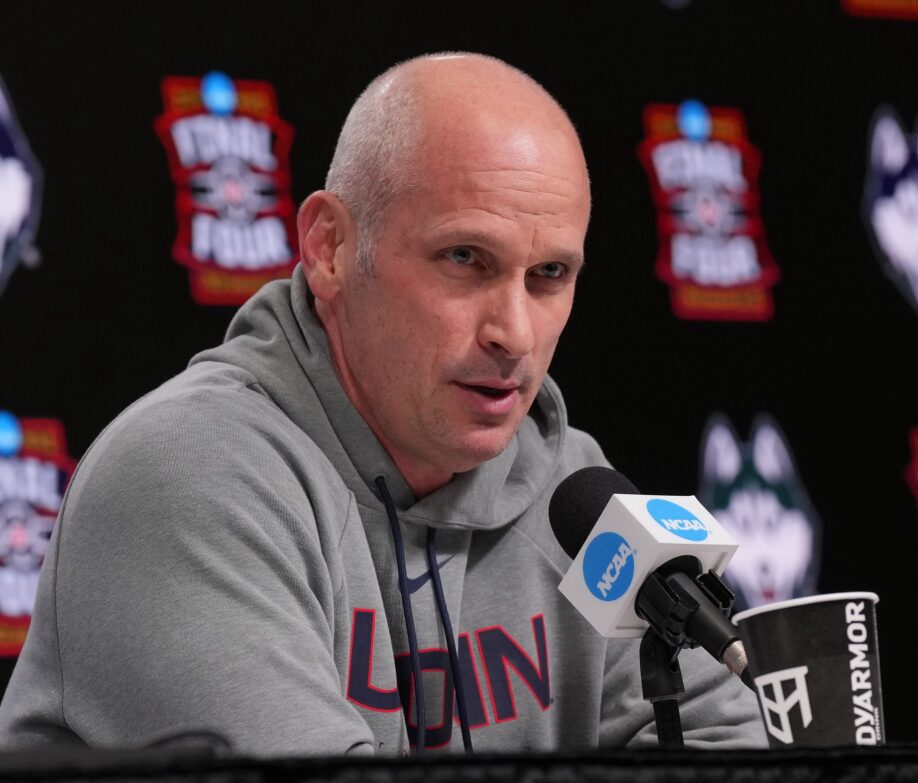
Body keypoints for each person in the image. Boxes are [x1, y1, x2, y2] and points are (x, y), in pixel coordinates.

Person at [0, 53, 765, 756]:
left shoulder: (576, 494)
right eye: (465, 259)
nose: (515, 332)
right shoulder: (184, 479)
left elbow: (729, 755)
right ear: (330, 248)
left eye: (549, 274)